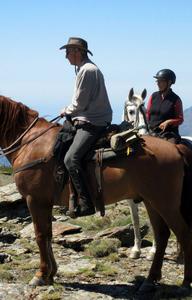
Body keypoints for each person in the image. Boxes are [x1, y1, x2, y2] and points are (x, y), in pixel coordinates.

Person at [59, 37, 112, 216]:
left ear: (78, 52)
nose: (66, 56)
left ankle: (86, 203)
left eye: (68, 52)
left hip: (92, 122)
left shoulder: (87, 71)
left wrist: (66, 110)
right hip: (88, 117)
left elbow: (79, 103)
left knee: (70, 159)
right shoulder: (85, 69)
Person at [146, 69, 183, 143]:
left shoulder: (176, 99)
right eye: (157, 81)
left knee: (170, 150)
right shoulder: (153, 96)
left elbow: (180, 119)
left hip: (168, 134)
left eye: (161, 81)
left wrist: (169, 122)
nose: (158, 83)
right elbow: (147, 114)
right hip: (151, 132)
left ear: (169, 82)